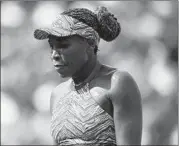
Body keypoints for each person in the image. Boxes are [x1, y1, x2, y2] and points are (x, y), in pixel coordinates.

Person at [34, 6, 142, 146]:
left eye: (64, 45)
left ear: (90, 43)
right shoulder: (57, 94)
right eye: (52, 47)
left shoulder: (117, 82)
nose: (54, 55)